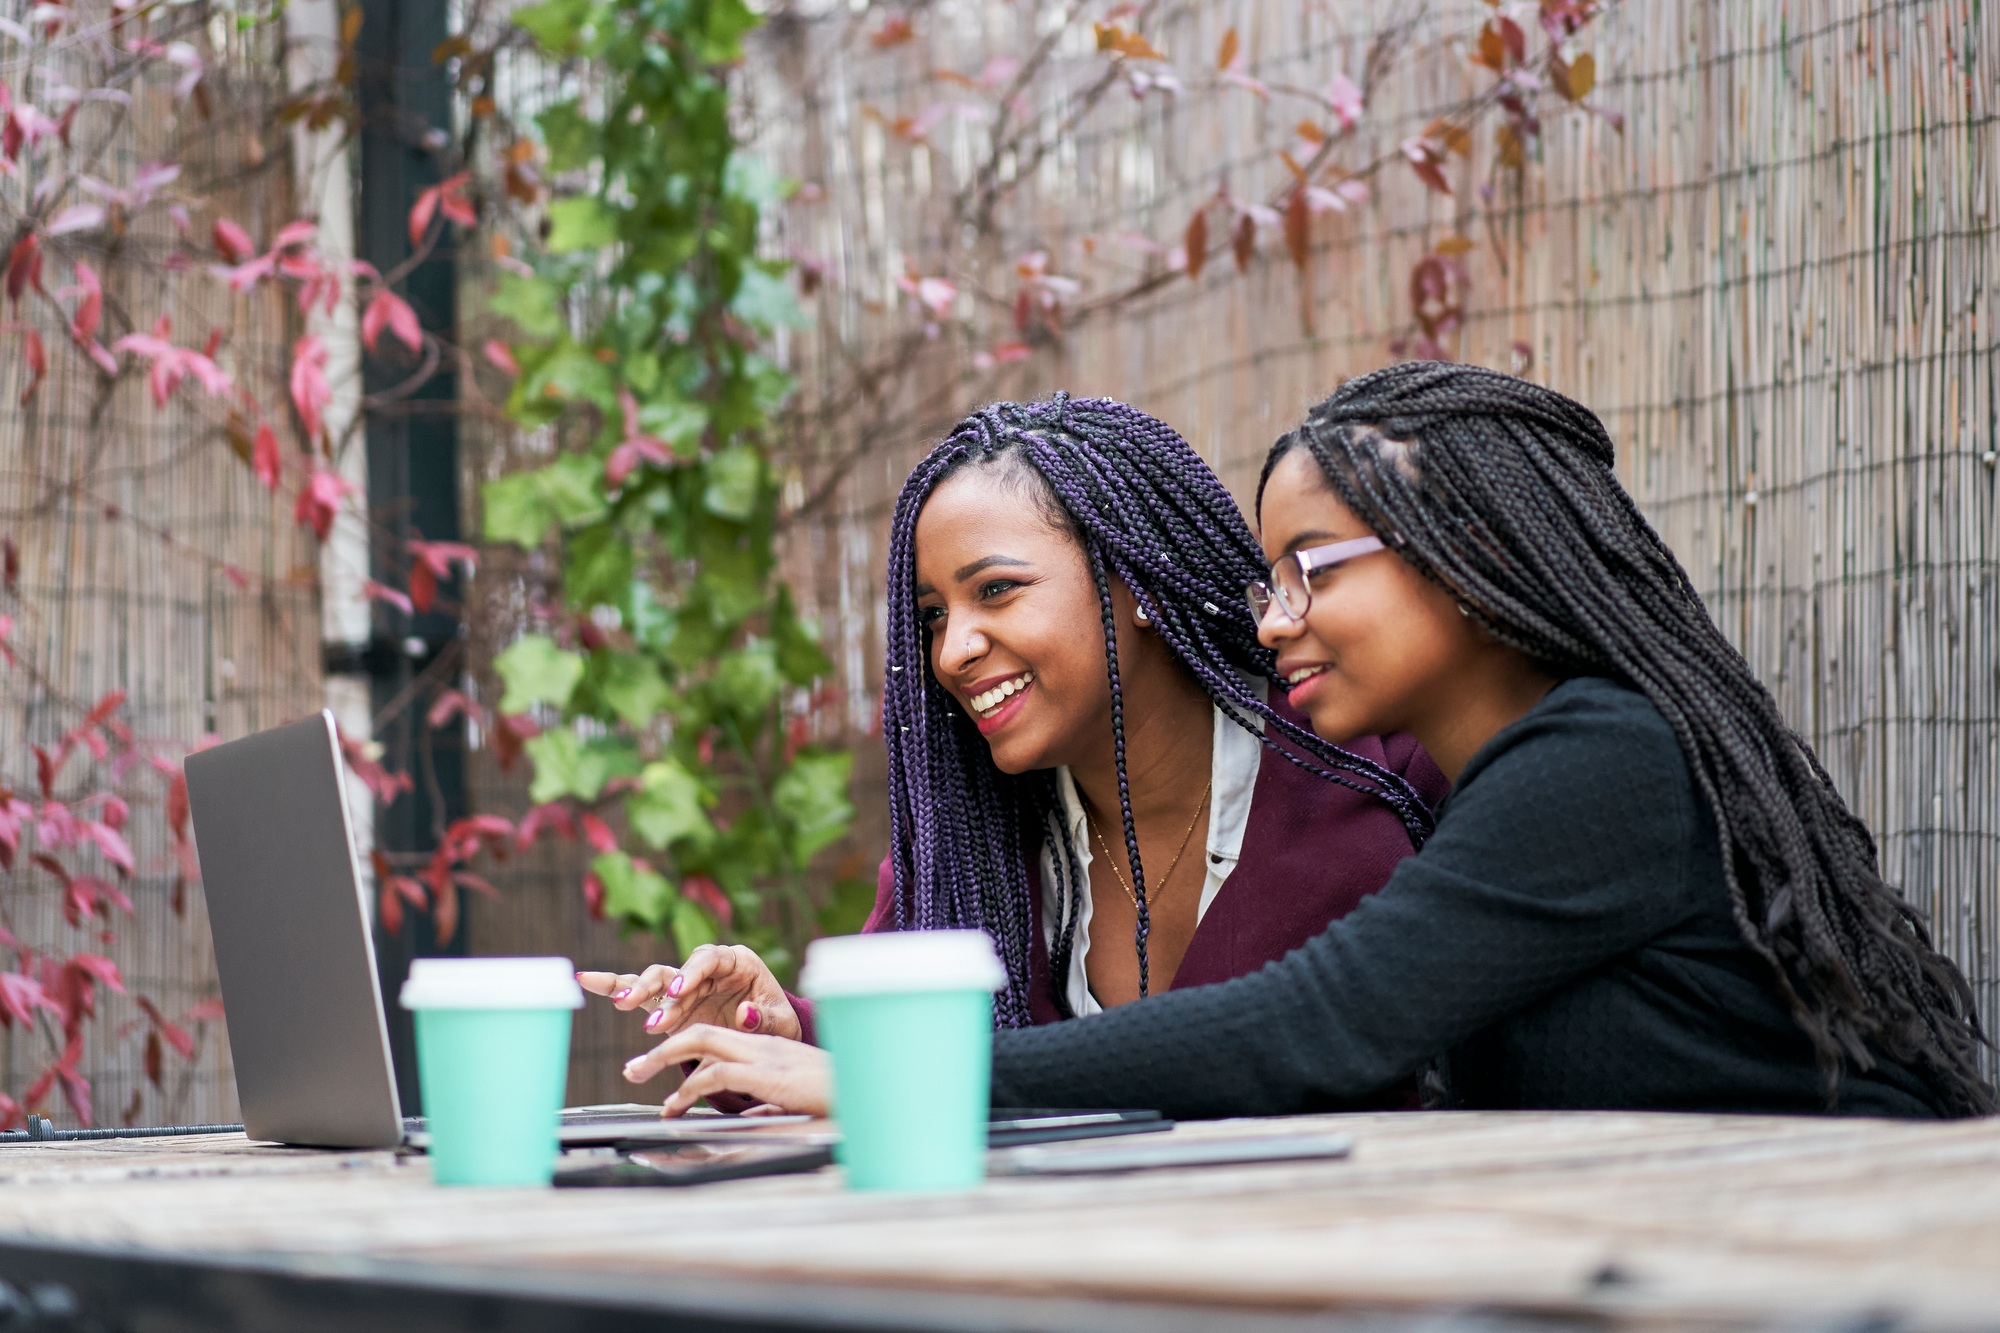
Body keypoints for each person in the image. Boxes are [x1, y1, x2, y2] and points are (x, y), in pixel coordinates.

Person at [631, 363, 1995, 1120]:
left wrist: (883, 1082)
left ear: (1465, 555)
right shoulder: (1508, 782)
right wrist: (794, 1031)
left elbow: (1320, 1026)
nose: (1269, 612)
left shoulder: (1588, 766)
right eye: (935, 614)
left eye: (1309, 568)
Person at [588, 393, 1445, 1065]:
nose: (954, 649)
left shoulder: (1375, 768)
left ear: (1135, 580)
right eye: (931, 617)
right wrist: (781, 1027)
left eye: (995, 590)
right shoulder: (966, 841)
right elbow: (899, 1043)